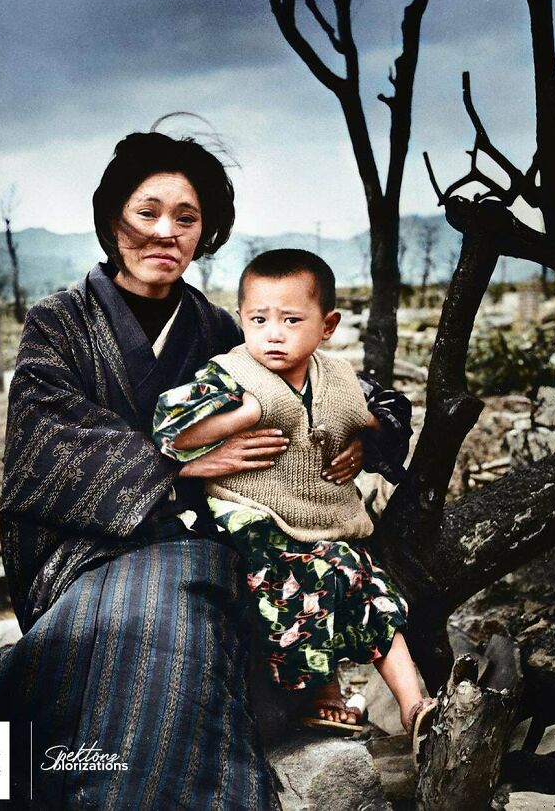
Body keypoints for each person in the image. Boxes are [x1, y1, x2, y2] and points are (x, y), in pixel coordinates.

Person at [0, 129, 374, 808]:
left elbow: (319, 379)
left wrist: (361, 436)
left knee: (175, 611)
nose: (165, 232)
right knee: (128, 620)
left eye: (186, 218)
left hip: (199, 545)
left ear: (205, 231)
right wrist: (180, 459)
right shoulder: (59, 323)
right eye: (146, 212)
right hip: (80, 551)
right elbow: (47, 440)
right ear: (111, 219)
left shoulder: (222, 330)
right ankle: (3, 719)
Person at [153, 249, 437, 743]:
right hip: (251, 511)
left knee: (366, 583)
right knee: (301, 580)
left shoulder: (340, 377)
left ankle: (417, 709)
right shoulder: (231, 373)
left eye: (291, 319)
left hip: (321, 514)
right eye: (259, 319)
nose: (274, 333)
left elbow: (386, 417)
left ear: (327, 325)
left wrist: (363, 437)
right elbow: (170, 431)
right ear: (241, 319)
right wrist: (242, 416)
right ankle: (320, 696)